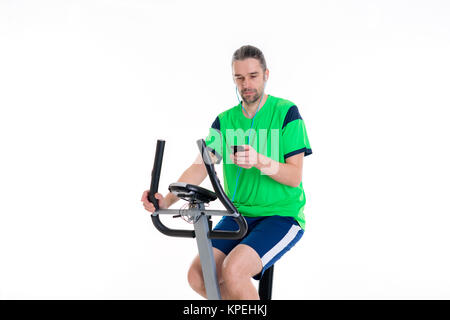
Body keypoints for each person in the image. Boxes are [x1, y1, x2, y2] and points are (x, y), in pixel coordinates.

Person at [141, 45, 312, 300]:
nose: (246, 84)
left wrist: (259, 160)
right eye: (239, 78)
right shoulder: (225, 121)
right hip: (237, 215)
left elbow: (294, 176)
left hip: (281, 216)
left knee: (233, 271)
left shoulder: (286, 113)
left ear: (266, 74)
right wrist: (166, 200)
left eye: (253, 76)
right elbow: (200, 167)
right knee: (198, 276)